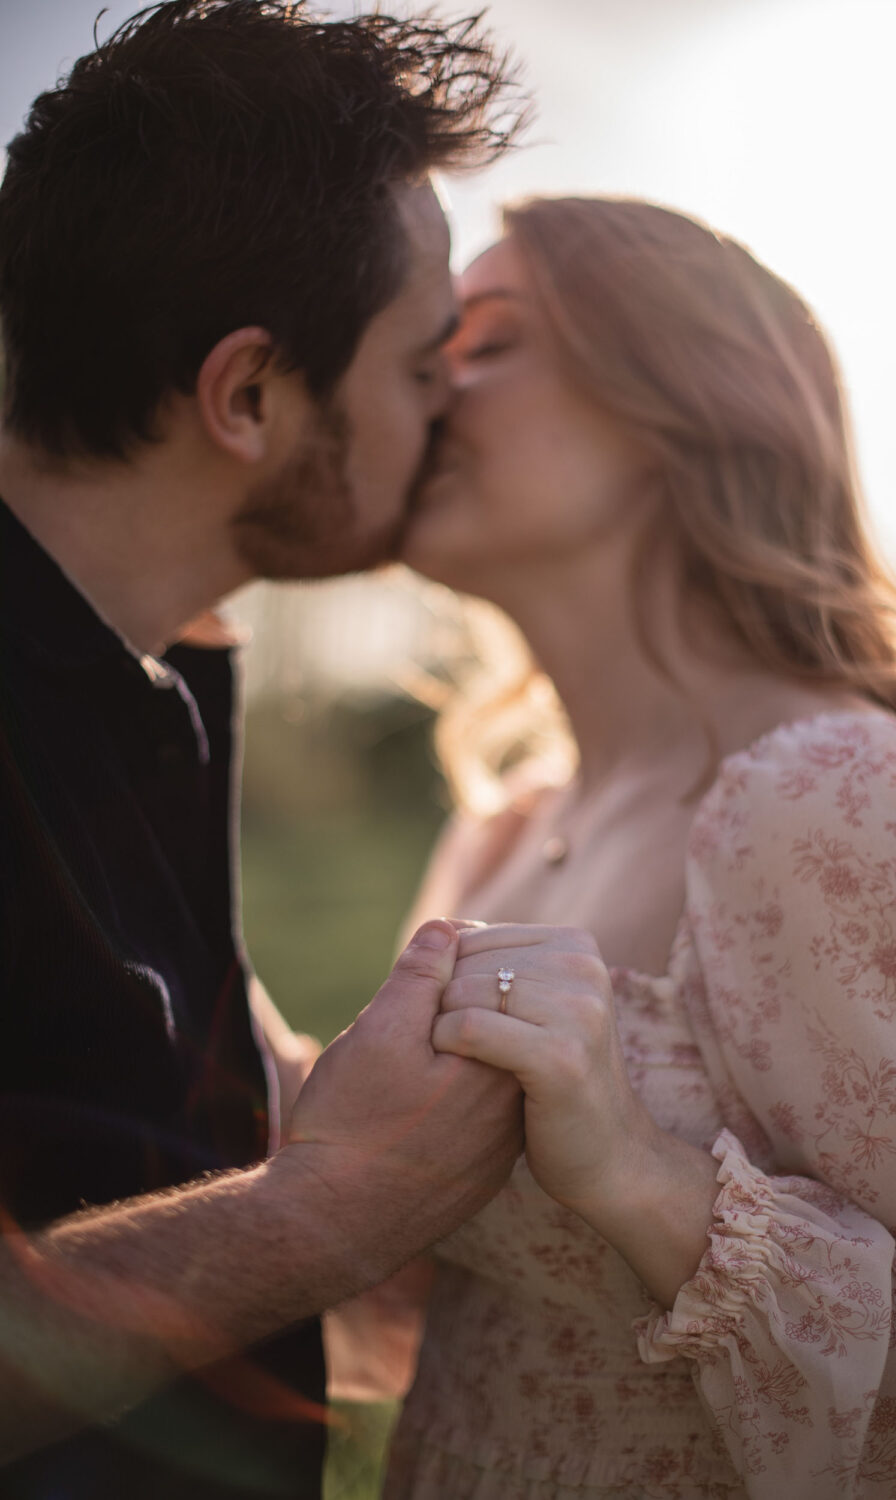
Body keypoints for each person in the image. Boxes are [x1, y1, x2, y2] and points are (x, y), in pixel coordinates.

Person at [0, 6, 613, 1497]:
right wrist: (333, 1206)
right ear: (250, 396)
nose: (451, 404)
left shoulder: (166, 679)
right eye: (418, 366)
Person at [361, 197, 896, 1497]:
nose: (433, 384)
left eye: (487, 340)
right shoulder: (500, 831)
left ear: (680, 400)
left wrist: (643, 1180)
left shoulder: (834, 801)